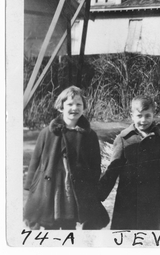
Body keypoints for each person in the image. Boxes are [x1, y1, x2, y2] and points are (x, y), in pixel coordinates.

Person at [24, 86, 109, 230]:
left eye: (78, 104)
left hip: (75, 186)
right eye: (70, 104)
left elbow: (95, 164)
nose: (74, 108)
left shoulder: (89, 135)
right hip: (52, 186)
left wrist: (93, 187)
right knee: (50, 222)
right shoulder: (47, 132)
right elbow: (36, 160)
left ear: (84, 108)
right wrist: (30, 186)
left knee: (70, 222)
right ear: (61, 107)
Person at [99, 96, 160, 230]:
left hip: (153, 202)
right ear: (132, 116)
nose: (143, 120)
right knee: (125, 240)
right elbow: (113, 170)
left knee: (149, 241)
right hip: (127, 202)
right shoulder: (123, 138)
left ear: (154, 115)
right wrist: (99, 194)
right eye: (139, 116)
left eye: (148, 116)